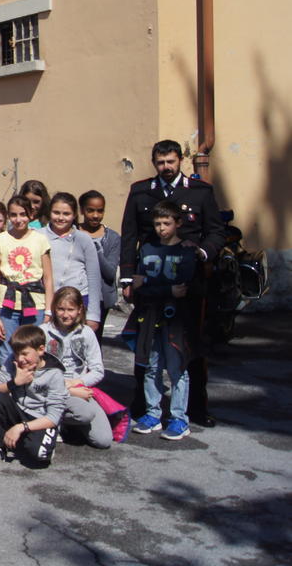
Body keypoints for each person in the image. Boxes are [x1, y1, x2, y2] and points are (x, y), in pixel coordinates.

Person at [119, 139, 223, 427]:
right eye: (161, 162)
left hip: (189, 285)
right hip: (151, 283)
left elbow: (216, 231)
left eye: (171, 162)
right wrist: (127, 277)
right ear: (154, 163)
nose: (166, 167)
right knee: (147, 346)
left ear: (180, 161)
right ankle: (143, 406)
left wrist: (203, 253)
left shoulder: (200, 193)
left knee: (192, 346)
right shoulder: (141, 193)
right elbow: (129, 235)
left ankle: (196, 409)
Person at [126, 201, 200, 441]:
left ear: (178, 223)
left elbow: (184, 288)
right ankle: (152, 413)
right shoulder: (147, 249)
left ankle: (179, 418)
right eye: (157, 223)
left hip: (175, 319)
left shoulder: (187, 252)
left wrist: (150, 284)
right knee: (151, 366)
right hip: (150, 317)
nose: (161, 228)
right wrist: (159, 288)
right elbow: (139, 286)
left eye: (166, 223)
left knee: (177, 368)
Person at [0, 324, 66, 468]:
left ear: (40, 349)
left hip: (40, 418)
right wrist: (14, 383)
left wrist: (21, 427)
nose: (20, 359)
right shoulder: (13, 361)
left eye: (25, 354)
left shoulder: (54, 374)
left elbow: (53, 417)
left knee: (39, 455)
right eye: (16, 353)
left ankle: (27, 438)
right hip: (17, 411)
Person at [41, 288, 113, 449]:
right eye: (61, 309)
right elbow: (35, 370)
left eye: (70, 310)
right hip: (50, 390)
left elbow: (97, 370)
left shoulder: (87, 333)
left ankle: (67, 423)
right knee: (84, 414)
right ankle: (51, 419)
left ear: (79, 309)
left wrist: (77, 382)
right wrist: (63, 387)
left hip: (78, 387)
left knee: (103, 440)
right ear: (54, 308)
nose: (65, 315)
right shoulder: (44, 332)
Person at [0, 196, 54, 368]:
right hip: (6, 304)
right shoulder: (0, 239)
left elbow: (47, 278)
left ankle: (31, 389)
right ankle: (8, 389)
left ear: (31, 214)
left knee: (32, 349)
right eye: (14, 215)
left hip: (35, 304)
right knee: (6, 349)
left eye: (23, 214)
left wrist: (48, 311)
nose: (18, 220)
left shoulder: (40, 239)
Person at [42, 193, 104, 331]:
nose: (60, 218)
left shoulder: (84, 239)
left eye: (66, 213)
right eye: (56, 212)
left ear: (75, 215)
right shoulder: (38, 236)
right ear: (49, 212)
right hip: (46, 302)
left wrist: (93, 314)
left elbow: (94, 277)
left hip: (77, 302)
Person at [79, 190, 121, 337]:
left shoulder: (112, 238)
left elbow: (110, 272)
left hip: (101, 298)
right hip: (75, 296)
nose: (95, 215)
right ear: (82, 210)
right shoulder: (73, 233)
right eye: (90, 210)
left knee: (94, 340)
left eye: (100, 211)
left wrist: (95, 250)